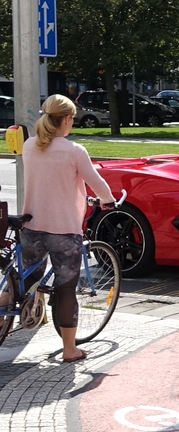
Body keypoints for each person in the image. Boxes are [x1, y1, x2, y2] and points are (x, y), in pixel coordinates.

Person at [21, 94, 116, 363]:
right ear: (66, 119)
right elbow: (97, 185)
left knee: (26, 280)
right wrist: (108, 201)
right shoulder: (74, 151)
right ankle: (69, 349)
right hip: (63, 231)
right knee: (65, 290)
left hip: (32, 226)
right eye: (72, 118)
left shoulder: (30, 146)